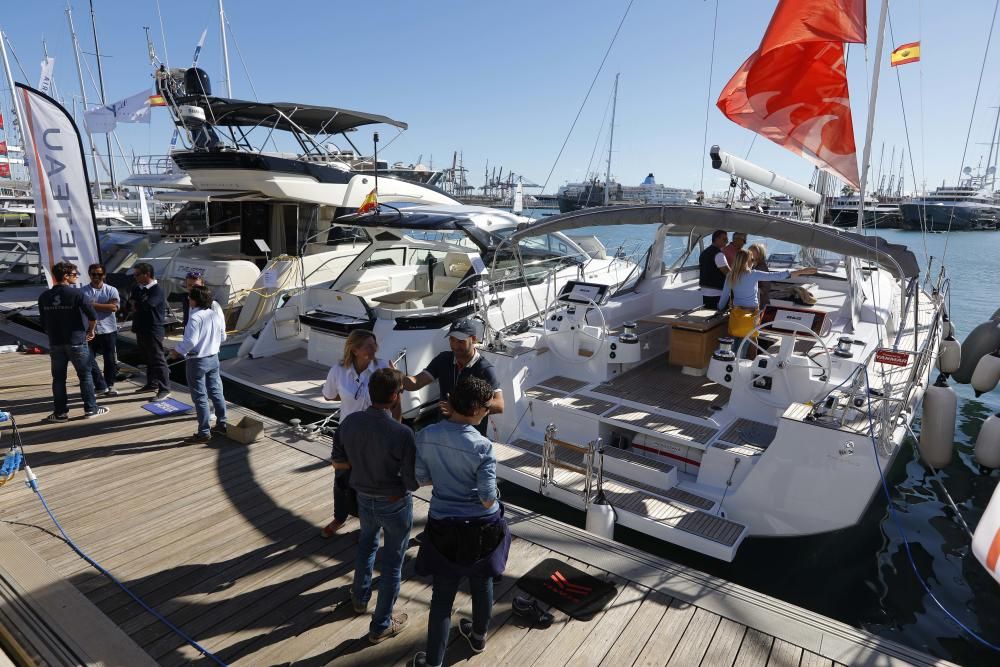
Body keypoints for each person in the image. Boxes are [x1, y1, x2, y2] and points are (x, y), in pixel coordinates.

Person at [409, 376, 509, 667]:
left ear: (452, 400)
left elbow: (421, 479)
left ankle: (433, 662)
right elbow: (489, 499)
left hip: (443, 525)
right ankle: (478, 637)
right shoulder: (484, 447)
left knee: (442, 597)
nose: (488, 412)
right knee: (482, 583)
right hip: (482, 527)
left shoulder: (425, 435)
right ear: (477, 410)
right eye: (487, 409)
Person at [331, 368, 418, 645]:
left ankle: (359, 598)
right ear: (395, 396)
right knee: (393, 563)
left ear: (370, 392)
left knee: (366, 546)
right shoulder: (402, 433)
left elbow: (338, 463)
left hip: (363, 498)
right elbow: (411, 482)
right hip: (393, 502)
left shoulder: (350, 423)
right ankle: (381, 624)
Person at [319, 329, 394, 538]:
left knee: (372, 481)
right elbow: (329, 396)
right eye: (368, 346)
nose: (374, 349)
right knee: (342, 479)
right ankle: (340, 517)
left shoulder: (383, 367)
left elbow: (396, 397)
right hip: (347, 434)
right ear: (354, 349)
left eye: (374, 344)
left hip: (376, 435)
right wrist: (349, 400)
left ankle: (370, 524)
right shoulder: (338, 370)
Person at [402, 319, 503, 437]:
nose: (455, 345)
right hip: (443, 432)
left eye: (460, 341)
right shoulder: (443, 359)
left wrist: (458, 410)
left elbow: (499, 405)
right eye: (452, 339)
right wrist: (397, 378)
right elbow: (416, 382)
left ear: (474, 339)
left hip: (471, 436)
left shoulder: (484, 369)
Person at [38, 261, 109, 421]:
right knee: (85, 376)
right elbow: (92, 316)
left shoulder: (44, 296)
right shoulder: (77, 294)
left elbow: (43, 323)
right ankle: (91, 409)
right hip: (76, 341)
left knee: (58, 379)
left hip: (56, 343)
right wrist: (90, 331)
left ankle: (60, 413)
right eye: (75, 274)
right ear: (65, 276)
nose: (77, 277)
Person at [168, 285, 228, 445]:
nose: (188, 299)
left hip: (198, 361)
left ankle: (204, 432)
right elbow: (223, 337)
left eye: (190, 297)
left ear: (195, 300)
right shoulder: (214, 314)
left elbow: (191, 341)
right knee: (216, 391)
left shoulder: (195, 318)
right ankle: (222, 423)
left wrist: (177, 351)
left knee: (200, 397)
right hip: (214, 358)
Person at [129, 262, 171, 401]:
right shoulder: (137, 288)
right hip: (140, 328)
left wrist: (137, 304)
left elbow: (147, 305)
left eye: (137, 274)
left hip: (153, 329)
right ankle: (152, 383)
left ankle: (165, 388)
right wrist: (137, 304)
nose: (134, 277)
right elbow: (132, 303)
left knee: (158, 359)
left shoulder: (157, 290)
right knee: (147, 358)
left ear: (146, 275)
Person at [81, 263, 120, 397]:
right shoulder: (83, 291)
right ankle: (100, 384)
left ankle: (110, 385)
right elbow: (82, 309)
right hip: (89, 329)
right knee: (88, 359)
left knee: (110, 359)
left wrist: (91, 305)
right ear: (89, 275)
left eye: (98, 274)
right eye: (93, 274)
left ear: (104, 275)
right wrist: (104, 306)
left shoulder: (112, 290)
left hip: (108, 330)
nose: (96, 276)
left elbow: (114, 308)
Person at [698, 230, 731, 309]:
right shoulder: (719, 254)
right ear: (716, 239)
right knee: (720, 317)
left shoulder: (704, 253)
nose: (727, 242)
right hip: (717, 292)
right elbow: (728, 273)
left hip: (705, 292)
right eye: (724, 239)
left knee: (709, 315)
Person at [748, 242, 772, 307]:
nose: (749, 254)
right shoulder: (750, 266)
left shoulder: (762, 267)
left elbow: (766, 287)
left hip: (761, 303)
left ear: (759, 254)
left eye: (752, 252)